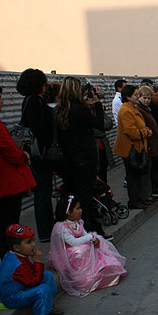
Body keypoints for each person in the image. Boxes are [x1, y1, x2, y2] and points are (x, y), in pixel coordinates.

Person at [55, 77, 111, 240]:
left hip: (68, 161)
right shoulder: (79, 110)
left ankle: (71, 230)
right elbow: (99, 124)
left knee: (71, 196)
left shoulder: (59, 111)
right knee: (85, 198)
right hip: (84, 159)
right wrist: (97, 103)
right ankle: (89, 231)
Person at [48, 195, 126, 297]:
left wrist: (93, 239)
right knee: (81, 249)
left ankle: (99, 267)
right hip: (68, 254)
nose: (81, 210)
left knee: (99, 241)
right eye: (78, 208)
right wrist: (91, 237)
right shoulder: (62, 228)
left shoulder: (78, 222)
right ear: (69, 213)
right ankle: (83, 275)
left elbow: (84, 234)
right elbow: (73, 242)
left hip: (80, 248)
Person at [0, 83, 37, 258]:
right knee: (8, 224)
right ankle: (11, 259)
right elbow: (10, 151)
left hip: (1, 181)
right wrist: (23, 156)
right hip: (6, 180)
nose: (2, 101)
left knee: (4, 222)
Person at [0, 224, 63, 315]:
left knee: (48, 275)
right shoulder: (17, 263)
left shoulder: (19, 254)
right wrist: (37, 262)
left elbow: (31, 275)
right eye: (29, 242)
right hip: (12, 297)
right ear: (16, 247)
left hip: (22, 285)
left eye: (33, 240)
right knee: (43, 289)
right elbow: (34, 281)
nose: (33, 244)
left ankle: (49, 305)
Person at [16, 68, 54, 243]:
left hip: (37, 153)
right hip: (39, 154)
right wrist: (50, 142)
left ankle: (47, 228)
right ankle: (46, 231)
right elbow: (38, 127)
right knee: (43, 192)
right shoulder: (34, 101)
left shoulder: (29, 100)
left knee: (43, 192)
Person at [113, 84, 152, 210]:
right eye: (135, 95)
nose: (137, 97)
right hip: (130, 148)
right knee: (133, 176)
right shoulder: (126, 110)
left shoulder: (132, 108)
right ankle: (134, 200)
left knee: (137, 175)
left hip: (137, 147)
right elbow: (131, 131)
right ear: (128, 97)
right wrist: (145, 132)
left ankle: (140, 198)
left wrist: (146, 130)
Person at [136, 86, 158, 199]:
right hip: (147, 144)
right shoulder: (140, 110)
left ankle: (150, 192)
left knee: (152, 169)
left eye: (149, 98)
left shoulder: (147, 109)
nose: (147, 100)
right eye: (144, 98)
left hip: (152, 143)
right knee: (147, 171)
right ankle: (147, 194)